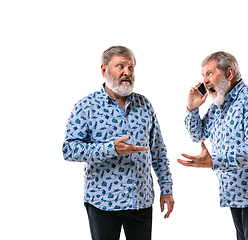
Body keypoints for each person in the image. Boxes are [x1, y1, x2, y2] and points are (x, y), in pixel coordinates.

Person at [62, 46, 174, 240]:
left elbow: (158, 151)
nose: (127, 72)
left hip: (141, 200)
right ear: (104, 70)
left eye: (131, 67)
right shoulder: (86, 106)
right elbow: (69, 149)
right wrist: (110, 149)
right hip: (102, 202)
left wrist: (167, 189)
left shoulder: (144, 104)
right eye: (120, 66)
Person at [177, 51, 248, 240]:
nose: (204, 81)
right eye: (202, 75)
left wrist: (213, 161)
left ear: (229, 74)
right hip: (234, 192)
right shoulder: (218, 106)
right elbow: (198, 134)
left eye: (209, 73)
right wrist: (192, 109)